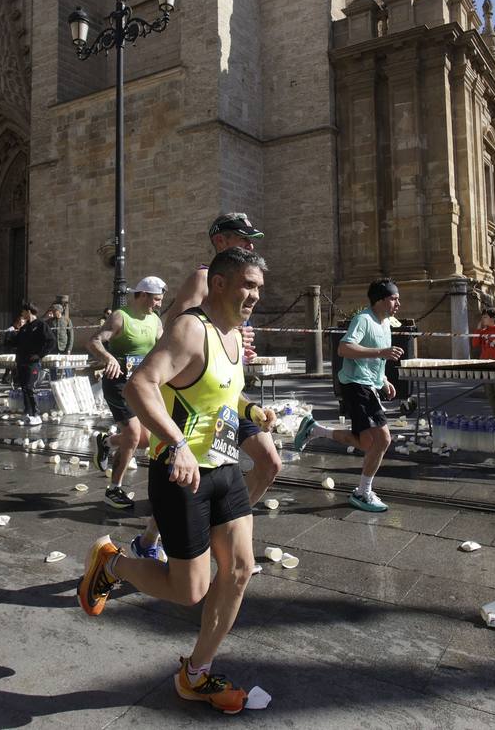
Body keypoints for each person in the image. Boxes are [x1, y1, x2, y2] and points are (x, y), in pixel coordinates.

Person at [78, 247, 272, 714]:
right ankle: (112, 564)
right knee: (190, 590)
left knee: (241, 570)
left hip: (223, 468)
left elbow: (222, 389)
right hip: (180, 473)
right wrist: (177, 443)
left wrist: (248, 410)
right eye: (248, 285)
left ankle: (196, 674)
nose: (255, 296)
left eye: (259, 288)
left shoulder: (233, 333)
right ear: (220, 284)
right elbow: (140, 384)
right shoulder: (190, 329)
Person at [166, 213, 282, 508]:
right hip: (198, 399)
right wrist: (222, 337)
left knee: (270, 464)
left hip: (231, 394)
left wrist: (238, 345)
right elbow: (176, 332)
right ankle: (154, 536)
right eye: (245, 239)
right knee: (194, 478)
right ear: (221, 240)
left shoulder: (243, 282)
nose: (251, 247)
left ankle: (229, 520)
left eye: (252, 242)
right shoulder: (202, 278)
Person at [293, 278, 402, 512]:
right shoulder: (363, 319)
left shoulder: (385, 324)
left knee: (366, 443)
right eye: (393, 298)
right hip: (356, 385)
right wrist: (382, 351)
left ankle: (315, 430)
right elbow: (344, 348)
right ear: (380, 300)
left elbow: (376, 361)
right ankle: (363, 492)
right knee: (382, 440)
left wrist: (383, 380)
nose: (398, 303)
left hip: (369, 386)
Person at [90, 276, 166, 514]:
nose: (158, 305)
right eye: (155, 300)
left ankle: (107, 442)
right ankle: (114, 489)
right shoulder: (120, 316)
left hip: (142, 385)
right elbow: (94, 341)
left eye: (160, 300)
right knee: (133, 434)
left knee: (143, 441)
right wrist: (109, 357)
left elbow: (165, 349)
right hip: (118, 383)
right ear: (142, 295)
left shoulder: (155, 320)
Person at [9, 303, 50, 425]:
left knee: (29, 387)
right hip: (21, 362)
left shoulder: (41, 325)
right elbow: (15, 342)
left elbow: (51, 341)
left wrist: (39, 355)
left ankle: (36, 414)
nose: (21, 314)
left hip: (33, 363)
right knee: (24, 388)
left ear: (28, 311)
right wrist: (0, 339)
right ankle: (27, 413)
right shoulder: (25, 328)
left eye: (23, 312)